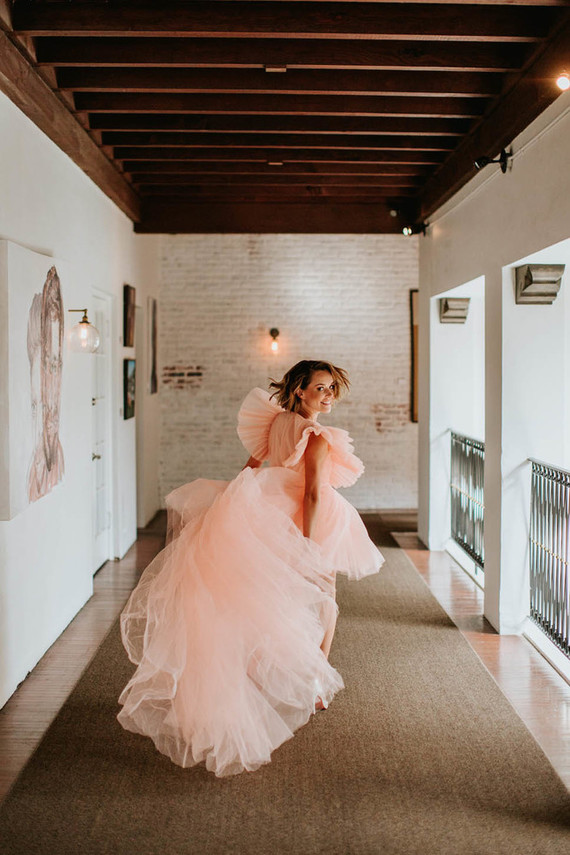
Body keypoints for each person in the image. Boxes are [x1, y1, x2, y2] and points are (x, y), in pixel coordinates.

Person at [117, 360, 384, 777]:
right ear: (300, 391)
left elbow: (250, 469)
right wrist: (308, 547)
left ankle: (276, 673)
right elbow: (313, 494)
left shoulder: (276, 422)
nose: (328, 395)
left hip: (267, 512)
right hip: (301, 519)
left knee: (268, 594)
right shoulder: (316, 437)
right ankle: (314, 685)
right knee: (325, 599)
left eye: (332, 388)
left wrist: (232, 510)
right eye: (320, 388)